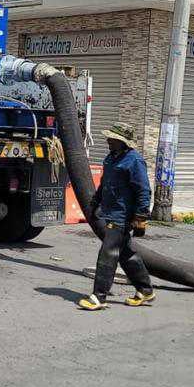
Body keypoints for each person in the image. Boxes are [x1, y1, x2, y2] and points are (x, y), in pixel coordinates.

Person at [78, 121, 156, 311]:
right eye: (109, 137)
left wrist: (140, 217)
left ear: (123, 142)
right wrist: (96, 201)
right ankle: (145, 290)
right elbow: (105, 183)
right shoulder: (111, 158)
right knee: (127, 254)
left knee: (108, 252)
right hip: (110, 213)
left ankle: (99, 296)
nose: (108, 140)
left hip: (123, 216)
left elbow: (144, 190)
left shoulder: (134, 161)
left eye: (113, 138)